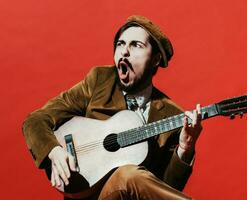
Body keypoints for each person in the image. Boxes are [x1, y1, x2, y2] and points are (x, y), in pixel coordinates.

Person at [23, 15, 203, 200]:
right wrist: (54, 151)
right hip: (87, 195)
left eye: (136, 45)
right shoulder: (99, 81)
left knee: (128, 174)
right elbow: (36, 120)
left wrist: (185, 148)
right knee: (128, 174)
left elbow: (165, 190)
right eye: (120, 44)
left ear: (156, 59)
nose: (124, 52)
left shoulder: (173, 115)